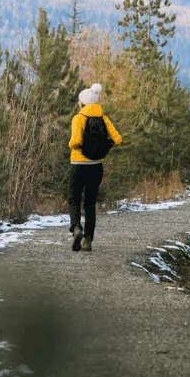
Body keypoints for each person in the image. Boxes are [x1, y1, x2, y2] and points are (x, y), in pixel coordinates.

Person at [68, 83, 123, 252]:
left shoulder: (79, 118)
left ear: (82, 103)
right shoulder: (103, 118)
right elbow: (118, 139)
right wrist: (103, 147)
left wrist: (71, 144)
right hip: (96, 167)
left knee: (74, 198)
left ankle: (76, 228)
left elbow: (76, 141)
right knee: (90, 203)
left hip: (78, 165)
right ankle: (88, 240)